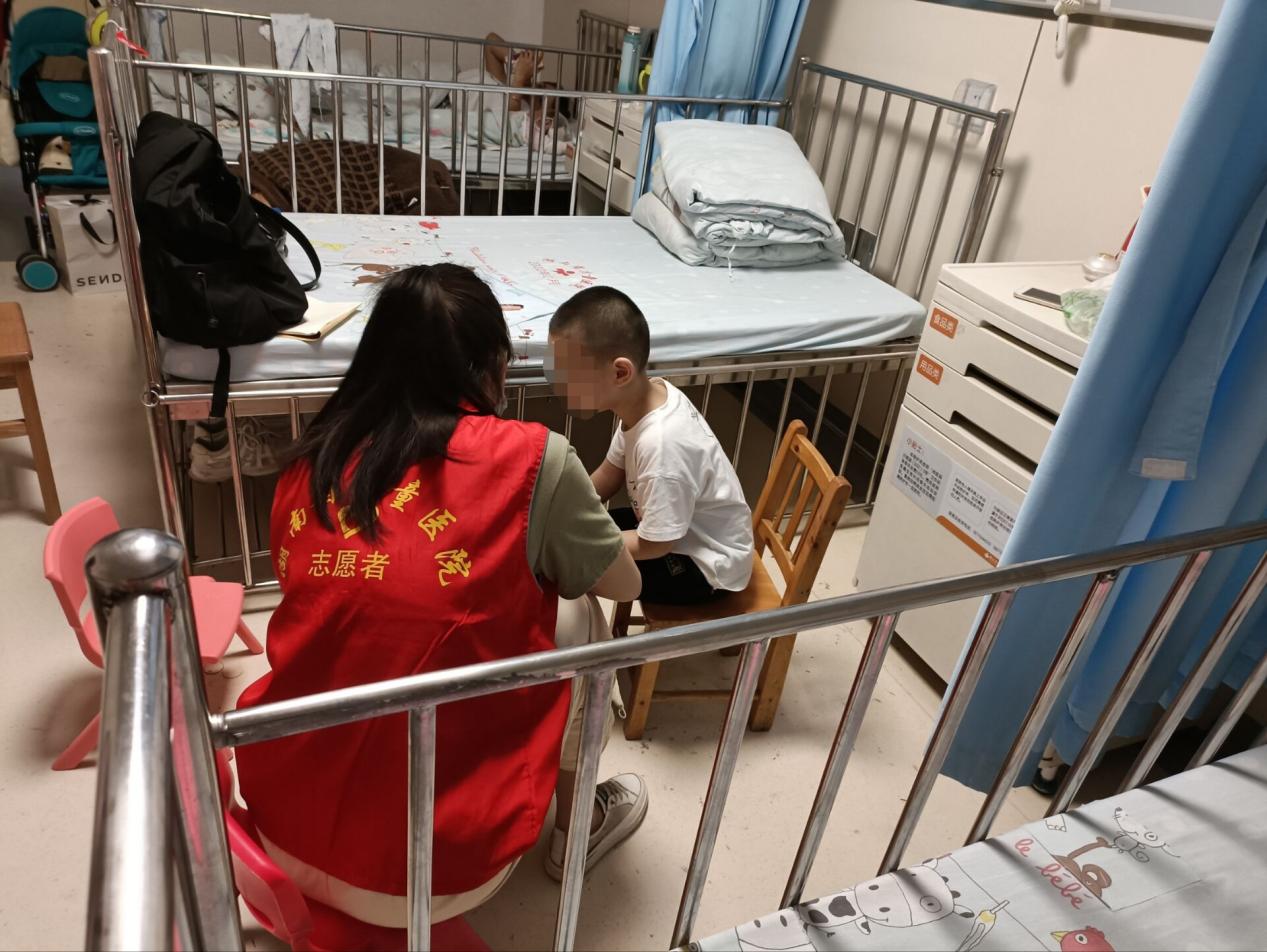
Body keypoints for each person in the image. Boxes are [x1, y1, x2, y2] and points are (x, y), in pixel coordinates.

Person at [233, 264, 648, 942]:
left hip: (278, 821)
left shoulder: (314, 455)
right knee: (582, 619)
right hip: (430, 871)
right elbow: (624, 584)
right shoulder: (531, 456)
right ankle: (577, 823)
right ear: (493, 366)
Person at [547, 286, 754, 606]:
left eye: (570, 377)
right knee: (575, 536)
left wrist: (584, 545)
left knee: (576, 568)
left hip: (705, 564)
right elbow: (608, 475)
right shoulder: (644, 400)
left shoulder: (662, 446)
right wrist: (563, 511)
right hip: (674, 531)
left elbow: (656, 544)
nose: (562, 386)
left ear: (620, 372)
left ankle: (591, 635)